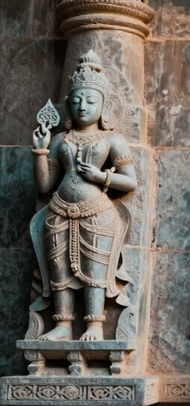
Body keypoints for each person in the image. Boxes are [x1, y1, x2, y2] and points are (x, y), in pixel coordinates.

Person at [31, 51, 137, 341]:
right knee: (59, 267)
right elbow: (44, 186)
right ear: (67, 105)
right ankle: (63, 324)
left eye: (91, 101)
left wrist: (101, 177)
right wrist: (40, 151)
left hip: (98, 211)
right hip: (59, 209)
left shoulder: (112, 139)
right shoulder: (59, 140)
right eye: (76, 100)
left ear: (104, 106)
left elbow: (130, 182)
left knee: (95, 269)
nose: (82, 107)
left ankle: (94, 325)